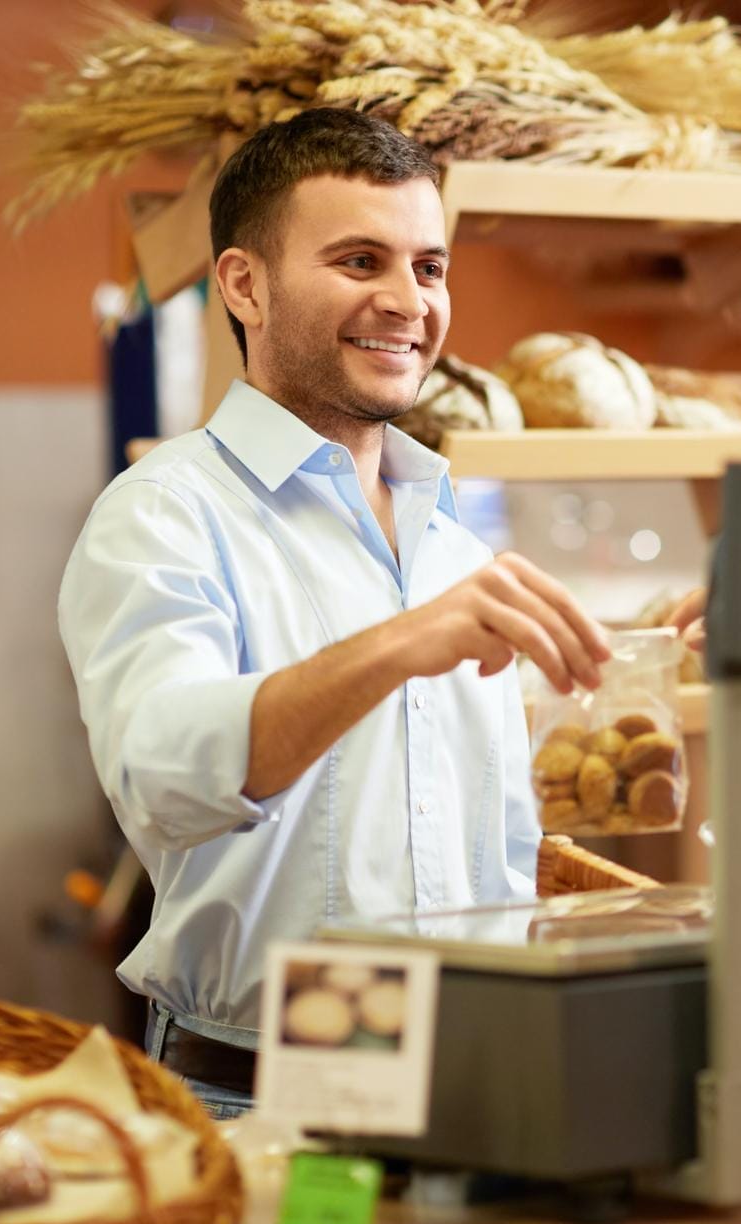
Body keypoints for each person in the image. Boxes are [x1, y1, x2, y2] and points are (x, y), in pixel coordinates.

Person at [59, 109, 642, 1117]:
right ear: (244, 283)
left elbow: (476, 826)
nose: (406, 301)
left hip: (474, 1077)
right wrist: (397, 646)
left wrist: (638, 660)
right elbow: (164, 776)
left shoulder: (451, 538)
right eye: (360, 259)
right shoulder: (165, 512)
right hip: (257, 1096)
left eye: (428, 267)